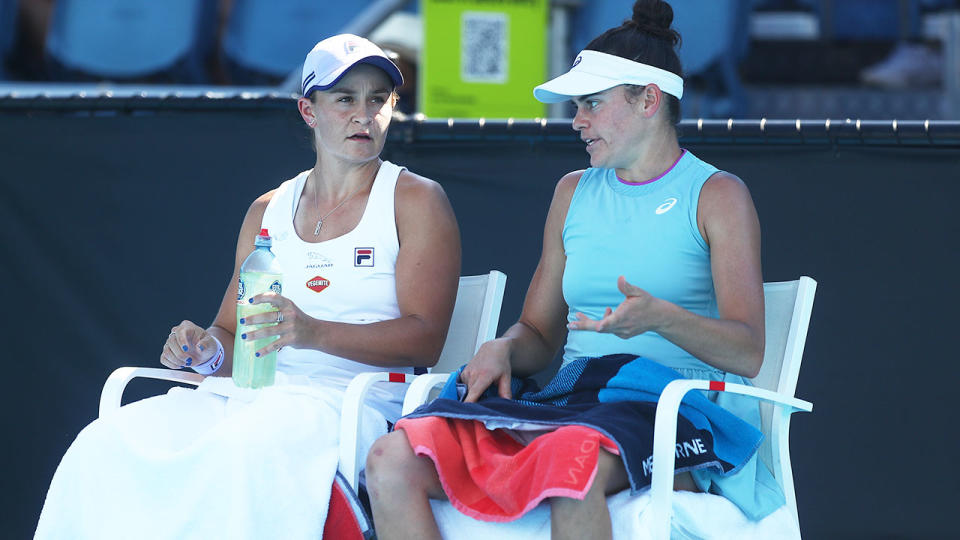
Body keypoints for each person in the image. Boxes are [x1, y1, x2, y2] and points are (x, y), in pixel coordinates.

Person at [365, 1, 786, 538]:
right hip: (577, 401)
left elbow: (748, 351)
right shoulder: (572, 192)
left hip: (678, 413)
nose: (577, 120)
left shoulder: (718, 194)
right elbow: (539, 334)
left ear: (648, 100)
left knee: (571, 465)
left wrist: (660, 317)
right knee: (391, 458)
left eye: (591, 103)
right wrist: (504, 348)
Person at [35, 34, 460, 539]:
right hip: (252, 397)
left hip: (354, 405)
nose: (363, 114)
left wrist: (313, 332)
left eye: (378, 100)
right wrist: (201, 350)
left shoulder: (417, 199)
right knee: (103, 442)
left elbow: (425, 338)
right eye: (345, 98)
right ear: (309, 110)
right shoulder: (268, 209)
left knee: (237, 449)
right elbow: (230, 336)